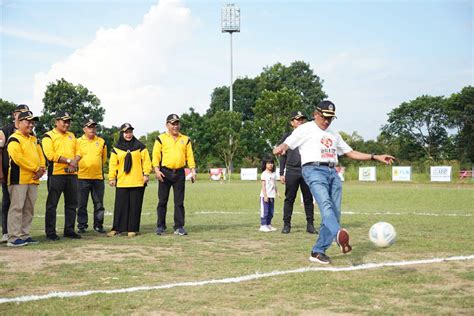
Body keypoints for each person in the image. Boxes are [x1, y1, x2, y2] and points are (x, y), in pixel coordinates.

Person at [273, 100, 395, 264]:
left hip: (333, 172)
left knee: (334, 213)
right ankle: (338, 234)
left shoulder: (333, 133)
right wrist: (280, 148)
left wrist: (375, 157)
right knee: (325, 204)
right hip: (313, 170)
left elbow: (350, 153)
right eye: (324, 117)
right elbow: (287, 144)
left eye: (330, 118)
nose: (327, 121)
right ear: (316, 114)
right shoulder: (305, 128)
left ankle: (317, 251)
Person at [5, 111, 45, 247]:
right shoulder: (13, 138)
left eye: (32, 122)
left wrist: (42, 169)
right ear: (19, 123)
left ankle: (24, 235)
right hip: (19, 179)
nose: (31, 125)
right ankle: (13, 237)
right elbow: (18, 158)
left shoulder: (34, 139)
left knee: (29, 208)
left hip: (33, 179)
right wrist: (36, 168)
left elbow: (41, 156)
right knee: (17, 208)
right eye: (28, 122)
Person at [153, 114, 196, 236]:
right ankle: (160, 226)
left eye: (177, 123)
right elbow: (156, 155)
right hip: (164, 172)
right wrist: (156, 170)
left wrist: (193, 170)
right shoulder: (160, 138)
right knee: (162, 201)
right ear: (167, 125)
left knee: (179, 202)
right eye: (173, 124)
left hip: (180, 173)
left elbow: (190, 156)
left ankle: (179, 226)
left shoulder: (186, 139)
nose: (175, 126)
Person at [42, 111, 82, 240]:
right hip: (56, 174)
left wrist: (74, 162)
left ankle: (69, 230)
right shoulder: (48, 136)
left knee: (72, 204)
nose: (67, 124)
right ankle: (50, 232)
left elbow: (79, 151)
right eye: (64, 121)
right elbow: (50, 155)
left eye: (68, 121)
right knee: (52, 204)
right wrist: (70, 161)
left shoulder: (72, 135)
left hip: (72, 174)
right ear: (56, 122)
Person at [108, 123, 151, 237]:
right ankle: (117, 228)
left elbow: (146, 161)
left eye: (130, 132)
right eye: (126, 132)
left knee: (135, 206)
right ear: (122, 133)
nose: (128, 134)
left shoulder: (140, 146)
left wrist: (146, 174)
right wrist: (112, 177)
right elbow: (113, 164)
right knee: (120, 207)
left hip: (137, 181)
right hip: (122, 181)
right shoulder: (116, 148)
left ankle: (132, 229)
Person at [278, 111, 317, 234]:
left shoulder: (308, 136)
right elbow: (283, 156)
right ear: (292, 123)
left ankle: (310, 225)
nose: (300, 122)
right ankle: (286, 225)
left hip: (306, 169)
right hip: (292, 170)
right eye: (297, 120)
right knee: (289, 199)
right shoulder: (287, 136)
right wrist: (281, 172)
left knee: (308, 199)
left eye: (302, 120)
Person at [0, 104, 30, 243]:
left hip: (25, 175)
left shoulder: (30, 132)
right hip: (8, 172)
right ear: (14, 114)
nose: (23, 115)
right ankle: (7, 232)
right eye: (21, 112)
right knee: (7, 202)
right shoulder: (5, 130)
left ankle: (21, 234)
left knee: (24, 205)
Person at [76, 119, 107, 234]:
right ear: (84, 129)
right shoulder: (77, 141)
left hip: (98, 177)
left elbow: (103, 159)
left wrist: (95, 166)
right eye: (90, 127)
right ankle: (82, 226)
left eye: (94, 127)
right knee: (81, 204)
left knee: (99, 204)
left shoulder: (102, 141)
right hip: (82, 177)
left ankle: (98, 225)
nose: (92, 129)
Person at [259, 156, 280, 232]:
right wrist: (265, 196)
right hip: (265, 196)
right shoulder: (264, 174)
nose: (270, 165)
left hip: (272, 196)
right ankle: (263, 225)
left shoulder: (274, 174)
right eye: (268, 163)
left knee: (271, 212)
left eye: (271, 163)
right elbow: (263, 186)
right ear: (265, 164)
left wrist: (277, 193)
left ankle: (268, 225)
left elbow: (274, 184)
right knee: (265, 211)